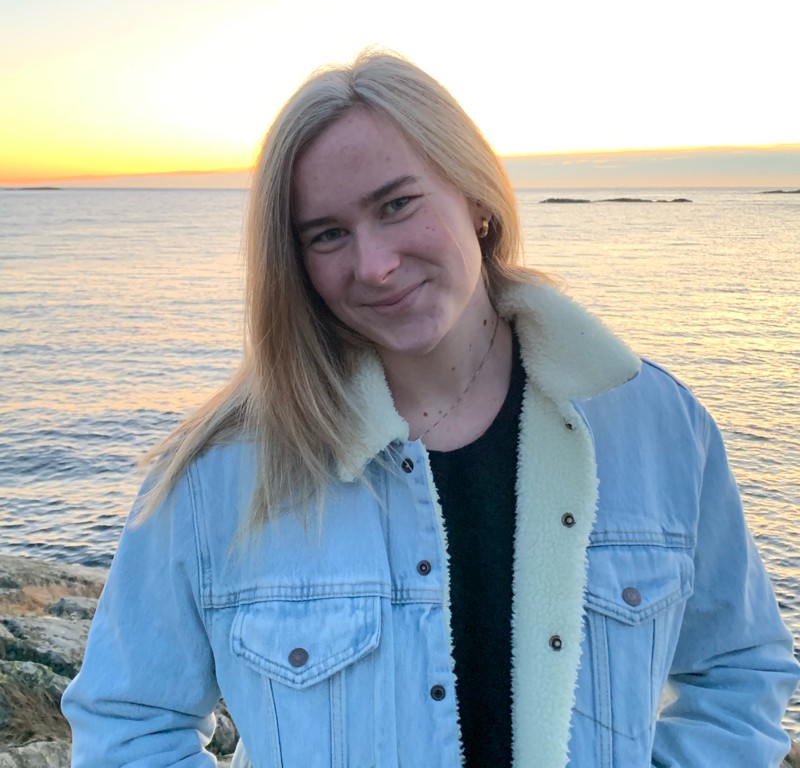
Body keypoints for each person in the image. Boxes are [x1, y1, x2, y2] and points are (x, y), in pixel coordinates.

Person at [62, 49, 799, 767]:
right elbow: (127, 726)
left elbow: (741, 674)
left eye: (397, 204)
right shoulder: (221, 472)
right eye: (328, 235)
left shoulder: (655, 425)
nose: (375, 265)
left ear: (476, 198)